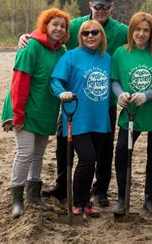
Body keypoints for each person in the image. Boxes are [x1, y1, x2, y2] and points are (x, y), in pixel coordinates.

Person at [19, 0, 128, 207]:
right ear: (90, 5)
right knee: (63, 143)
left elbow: (142, 37)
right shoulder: (77, 25)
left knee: (104, 147)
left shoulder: (121, 30)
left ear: (112, 7)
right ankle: (62, 186)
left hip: (104, 102)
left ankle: (100, 190)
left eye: (105, 6)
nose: (101, 10)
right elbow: (51, 31)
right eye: (97, 6)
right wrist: (27, 36)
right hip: (74, 102)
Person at [1, 8, 70, 219]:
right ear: (45, 26)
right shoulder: (31, 46)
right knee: (25, 152)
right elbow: (19, 82)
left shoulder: (62, 51)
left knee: (38, 154)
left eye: (62, 26)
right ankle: (17, 200)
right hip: (24, 108)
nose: (58, 29)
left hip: (45, 109)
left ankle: (33, 195)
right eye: (54, 24)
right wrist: (18, 115)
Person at [111, 12, 152, 216]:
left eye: (146, 30)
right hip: (131, 112)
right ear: (131, 31)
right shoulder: (120, 53)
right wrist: (120, 95)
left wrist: (146, 96)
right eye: (138, 29)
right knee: (121, 153)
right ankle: (122, 198)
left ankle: (149, 199)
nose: (141, 34)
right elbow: (115, 80)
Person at [50, 20, 111, 217]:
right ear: (81, 37)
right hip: (77, 118)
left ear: (101, 35)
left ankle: (85, 203)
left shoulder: (107, 58)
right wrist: (62, 93)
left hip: (100, 120)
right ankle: (77, 203)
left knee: (92, 162)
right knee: (87, 158)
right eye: (86, 33)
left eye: (95, 32)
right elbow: (55, 80)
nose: (90, 36)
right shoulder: (71, 57)